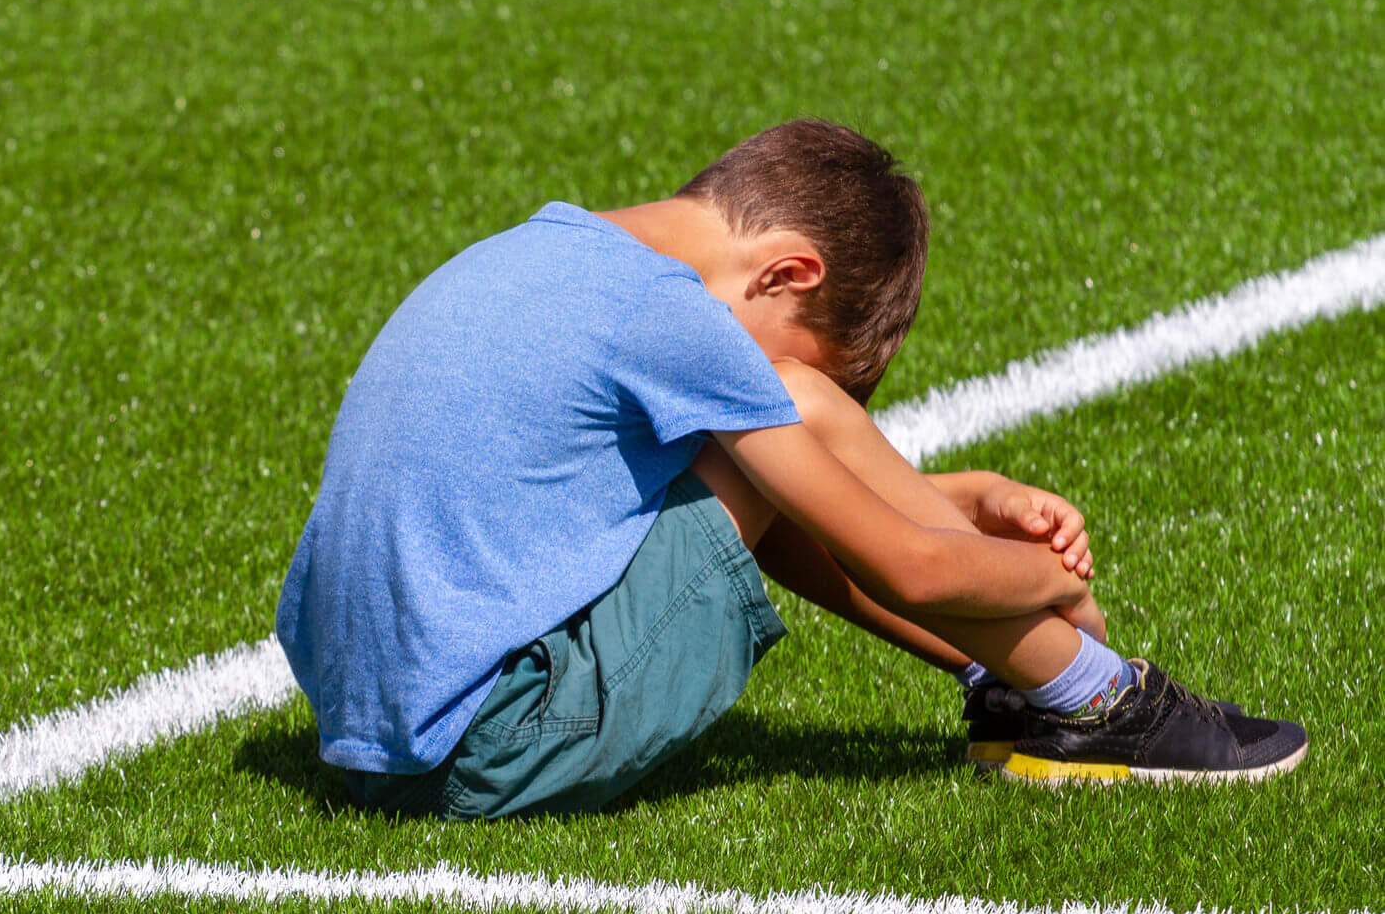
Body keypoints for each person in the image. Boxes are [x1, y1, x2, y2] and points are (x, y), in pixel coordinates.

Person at [276, 119, 1305, 814]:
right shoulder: (670, 319)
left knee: (781, 435)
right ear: (788, 273)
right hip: (496, 747)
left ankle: (1016, 683)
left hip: (364, 743)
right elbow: (909, 565)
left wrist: (971, 496)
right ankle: (1101, 699)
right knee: (796, 413)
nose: (763, 381)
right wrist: (1057, 589)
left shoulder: (549, 251)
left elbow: (759, 504)